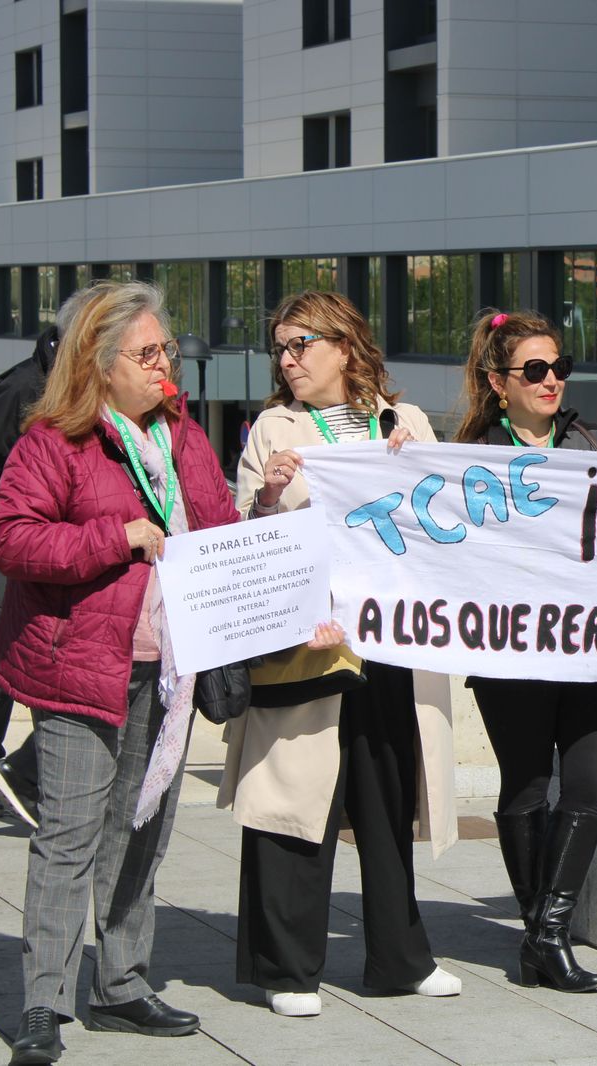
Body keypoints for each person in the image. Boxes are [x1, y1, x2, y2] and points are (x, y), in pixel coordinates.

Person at [0, 281, 239, 1064]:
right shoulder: (53, 442)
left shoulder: (184, 439)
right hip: (79, 666)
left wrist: (261, 505)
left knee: (143, 832)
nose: (168, 365)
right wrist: (116, 536)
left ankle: (122, 982)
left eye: (169, 349)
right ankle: (44, 1003)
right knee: (69, 834)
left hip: (169, 670)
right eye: (150, 352)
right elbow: (13, 540)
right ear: (100, 365)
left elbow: (220, 528)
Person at [219, 290, 462, 1017]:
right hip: (305, 646)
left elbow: (447, 519)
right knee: (295, 801)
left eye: (302, 344)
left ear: (346, 346)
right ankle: (288, 970)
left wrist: (414, 463)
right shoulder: (272, 427)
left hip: (388, 644)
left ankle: (400, 958)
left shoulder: (405, 421)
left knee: (386, 801)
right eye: (282, 348)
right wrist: (268, 495)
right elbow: (239, 538)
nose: (289, 360)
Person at [455, 308, 597, 992]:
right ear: (499, 382)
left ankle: (546, 936)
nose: (551, 379)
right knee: (528, 787)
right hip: (515, 653)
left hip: (594, 647)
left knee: (589, 787)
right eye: (534, 369)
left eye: (559, 366)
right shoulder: (469, 456)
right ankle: (544, 938)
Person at [0, 292, 97, 822]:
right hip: (15, 554)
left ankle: (42, 772)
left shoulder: (90, 383)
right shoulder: (21, 388)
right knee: (4, 664)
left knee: (58, 668)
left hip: (71, 555)